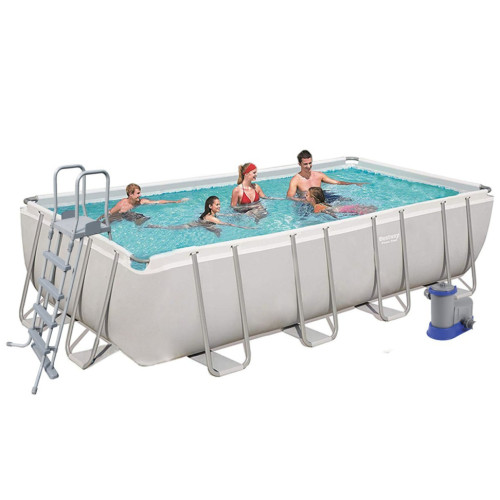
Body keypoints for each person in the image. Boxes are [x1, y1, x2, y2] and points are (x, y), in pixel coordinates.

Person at [146, 196, 255, 236]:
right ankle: (155, 226)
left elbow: (226, 215)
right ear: (210, 206)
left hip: (205, 224)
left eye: (219, 204)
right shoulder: (211, 217)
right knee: (173, 228)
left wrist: (242, 214)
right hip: (195, 225)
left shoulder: (212, 213)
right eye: (217, 205)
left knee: (216, 230)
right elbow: (227, 224)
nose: (219, 206)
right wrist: (245, 227)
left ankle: (215, 231)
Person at [287, 150, 367, 201]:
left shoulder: (318, 175)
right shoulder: (295, 180)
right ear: (299, 164)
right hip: (305, 201)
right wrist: (303, 201)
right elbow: (290, 197)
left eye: (310, 163)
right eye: (305, 164)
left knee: (347, 200)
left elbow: (337, 182)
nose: (308, 166)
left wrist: (354, 183)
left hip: (322, 196)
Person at [105, 183, 188, 225]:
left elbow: (158, 202)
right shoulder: (122, 204)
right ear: (130, 194)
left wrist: (176, 201)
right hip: (119, 215)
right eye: (138, 193)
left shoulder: (141, 201)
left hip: (128, 215)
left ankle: (140, 227)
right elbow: (109, 213)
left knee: (142, 217)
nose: (140, 195)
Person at [305, 187, 376, 217]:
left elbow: (326, 212)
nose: (305, 196)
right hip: (345, 208)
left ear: (312, 199)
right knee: (370, 209)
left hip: (344, 210)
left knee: (369, 213)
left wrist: (335, 217)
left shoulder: (316, 207)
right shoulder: (322, 203)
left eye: (307, 195)